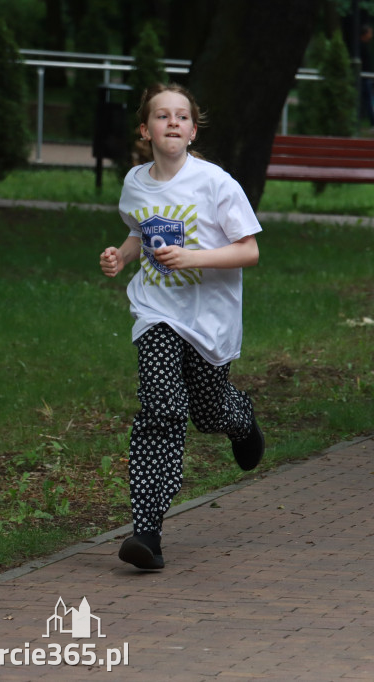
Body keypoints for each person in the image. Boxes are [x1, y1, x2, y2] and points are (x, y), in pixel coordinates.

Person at [99, 83, 266, 571]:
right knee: (162, 407)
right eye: (161, 115)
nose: (171, 122)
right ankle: (146, 533)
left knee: (209, 412)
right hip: (156, 310)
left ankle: (241, 419)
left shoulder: (215, 183)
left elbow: (249, 250)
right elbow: (139, 231)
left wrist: (194, 256)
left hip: (209, 320)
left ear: (193, 130)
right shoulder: (136, 182)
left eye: (181, 116)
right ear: (145, 129)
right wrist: (121, 255)